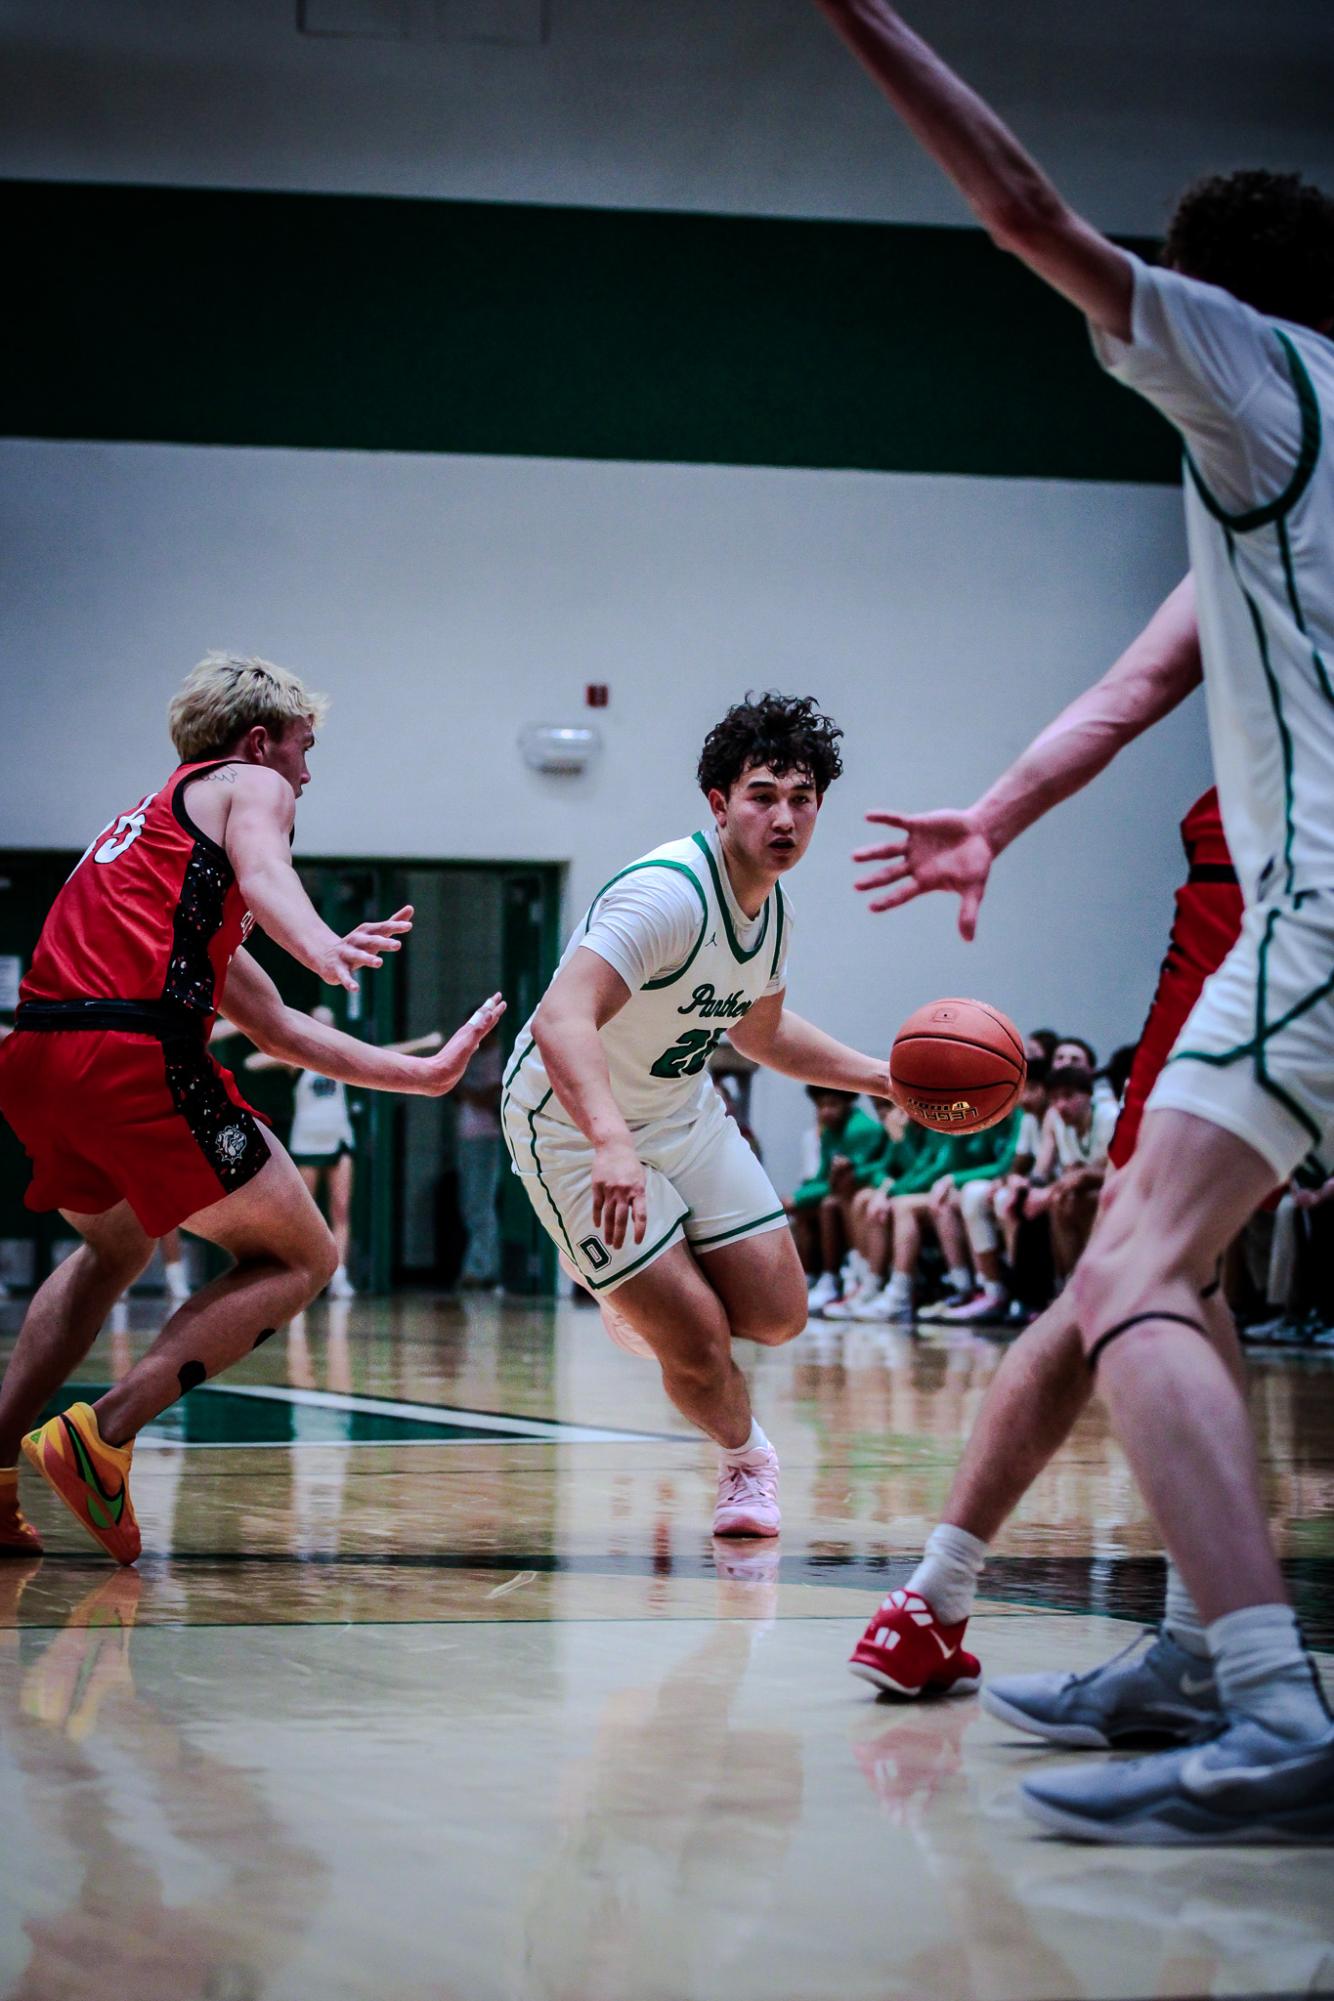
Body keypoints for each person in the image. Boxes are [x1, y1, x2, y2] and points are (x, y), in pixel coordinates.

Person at [818, 0, 1334, 1839]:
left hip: (1319, 916)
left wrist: (854, 17)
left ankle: (1268, 1703)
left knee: (1120, 1276)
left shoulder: (1253, 370)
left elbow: (1025, 213)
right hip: (1306, 926)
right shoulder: (1291, 461)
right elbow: (1139, 683)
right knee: (1151, 1260)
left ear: (1210, 302)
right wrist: (991, 816)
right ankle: (1199, 1649)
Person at [0, 652, 503, 1564]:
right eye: (306, 751)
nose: (307, 775)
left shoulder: (154, 847)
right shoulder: (245, 783)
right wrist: (322, 945)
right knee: (304, 1254)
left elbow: (273, 1027)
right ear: (261, 741)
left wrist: (417, 1075)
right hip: (126, 1053)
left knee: (112, 1245)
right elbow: (271, 874)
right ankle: (101, 1433)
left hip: (35, 1055)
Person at [501, 693, 888, 1538]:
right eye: (762, 795)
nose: (784, 816)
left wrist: (885, 1079)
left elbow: (764, 1032)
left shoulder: (773, 911)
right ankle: (747, 1464)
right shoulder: (666, 894)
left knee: (782, 1313)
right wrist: (609, 1142)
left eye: (802, 798)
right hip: (572, 1123)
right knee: (701, 1339)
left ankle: (642, 1293)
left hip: (680, 1110)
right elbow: (561, 1019)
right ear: (719, 804)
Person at [246, 1005, 443, 1298]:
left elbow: (384, 1052)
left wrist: (423, 1043)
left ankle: (339, 1276)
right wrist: (288, 1050)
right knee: (304, 1212)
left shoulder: (340, 1057)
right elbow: (252, 1062)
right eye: (318, 1023)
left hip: (339, 1139)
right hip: (307, 1143)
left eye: (328, 1023)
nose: (323, 1028)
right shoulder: (297, 1058)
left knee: (340, 1209)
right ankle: (299, 1273)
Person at [789, 1087, 887, 1311]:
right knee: (803, 1209)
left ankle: (832, 1278)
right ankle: (810, 1277)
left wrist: (797, 1198)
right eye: (821, 1106)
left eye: (833, 1105)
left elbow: (849, 1179)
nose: (826, 1111)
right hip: (846, 1190)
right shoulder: (829, 1132)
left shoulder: (860, 1129)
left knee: (829, 1205)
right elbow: (823, 1178)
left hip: (866, 1189)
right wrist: (797, 1198)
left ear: (848, 1104)